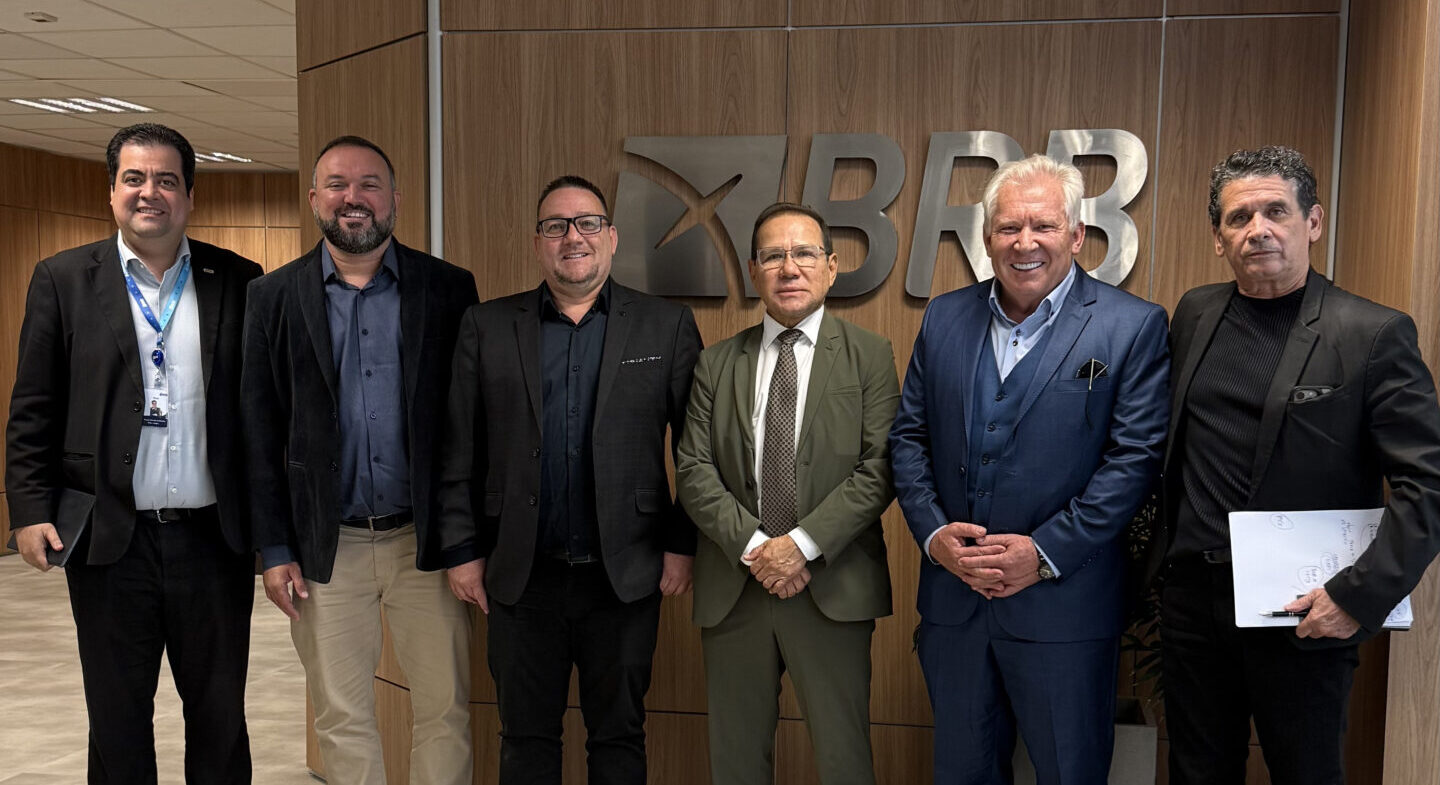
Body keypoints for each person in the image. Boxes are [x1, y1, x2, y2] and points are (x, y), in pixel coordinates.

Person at [1147, 145, 1440, 785]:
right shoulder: (1194, 313)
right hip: (1194, 604)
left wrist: (1356, 597)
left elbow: (1428, 486)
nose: (1258, 229)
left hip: (1307, 608)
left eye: (1275, 211)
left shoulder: (1372, 333)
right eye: (1239, 217)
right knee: (1195, 773)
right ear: (1219, 238)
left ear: (1313, 222)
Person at [889, 154, 1170, 783]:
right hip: (955, 607)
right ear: (987, 238)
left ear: (1076, 235)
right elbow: (908, 439)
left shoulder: (1132, 327)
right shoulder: (943, 317)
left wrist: (1042, 554)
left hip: (1065, 611)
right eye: (1008, 227)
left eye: (1043, 225)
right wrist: (935, 537)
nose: (1025, 243)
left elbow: (1133, 462)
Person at [6, 123, 260, 784]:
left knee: (220, 717)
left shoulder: (238, 279)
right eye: (135, 178)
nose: (151, 192)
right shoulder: (63, 279)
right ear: (112, 191)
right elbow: (33, 406)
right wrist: (29, 509)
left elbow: (260, 414)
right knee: (117, 720)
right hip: (110, 540)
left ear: (190, 196)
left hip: (214, 542)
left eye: (167, 180)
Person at [437, 175, 701, 784]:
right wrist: (462, 551)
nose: (572, 237)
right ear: (538, 243)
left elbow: (696, 449)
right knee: (525, 738)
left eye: (586, 223)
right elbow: (458, 451)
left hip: (627, 572)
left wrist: (681, 544)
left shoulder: (665, 325)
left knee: (619, 736)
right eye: (555, 226)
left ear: (611, 237)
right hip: (520, 572)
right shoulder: (487, 325)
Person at [242, 135, 477, 785]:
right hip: (325, 547)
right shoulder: (272, 297)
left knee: (446, 710)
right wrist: (274, 549)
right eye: (338, 184)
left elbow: (470, 425)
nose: (354, 197)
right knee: (342, 717)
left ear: (394, 198)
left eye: (370, 184)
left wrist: (467, 540)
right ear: (314, 198)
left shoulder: (448, 289)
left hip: (425, 544)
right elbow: (258, 433)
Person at [675, 202, 899, 784]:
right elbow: (694, 469)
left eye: (803, 254)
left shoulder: (870, 356)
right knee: (737, 762)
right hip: (737, 585)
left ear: (831, 266)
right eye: (773, 256)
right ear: (753, 271)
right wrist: (760, 550)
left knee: (844, 760)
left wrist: (799, 547)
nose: (789, 268)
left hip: (833, 583)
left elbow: (879, 469)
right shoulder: (716, 363)